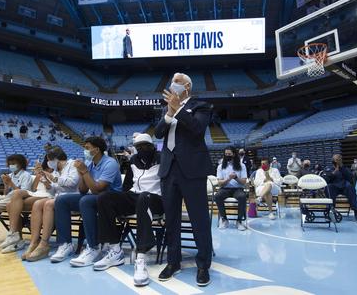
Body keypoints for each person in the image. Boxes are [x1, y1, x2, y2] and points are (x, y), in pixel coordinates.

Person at [154, 72, 214, 287]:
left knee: (199, 220)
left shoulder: (201, 106)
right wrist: (169, 113)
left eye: (178, 82)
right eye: (172, 82)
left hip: (193, 170)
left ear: (187, 86)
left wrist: (178, 108)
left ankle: (203, 264)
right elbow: (158, 133)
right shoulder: (168, 108)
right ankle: (173, 261)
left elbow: (197, 131)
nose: (173, 85)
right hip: (169, 170)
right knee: (171, 219)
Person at [94, 133, 163, 286]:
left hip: (156, 198)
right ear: (136, 149)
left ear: (152, 146)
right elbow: (126, 187)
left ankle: (141, 256)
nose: (143, 149)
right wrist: (121, 204)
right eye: (139, 147)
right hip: (136, 195)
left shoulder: (161, 158)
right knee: (104, 198)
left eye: (146, 146)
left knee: (144, 197)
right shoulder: (133, 160)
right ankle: (115, 249)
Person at [52, 136, 122, 266]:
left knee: (86, 201)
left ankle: (93, 247)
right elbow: (83, 190)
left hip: (112, 199)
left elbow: (97, 190)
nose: (85, 150)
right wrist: (82, 173)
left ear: (97, 149)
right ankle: (66, 244)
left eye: (87, 148)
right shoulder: (90, 164)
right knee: (61, 200)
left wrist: (84, 172)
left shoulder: (110, 163)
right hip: (95, 197)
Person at [3, 146, 79, 257]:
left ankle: (44, 243)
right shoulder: (58, 171)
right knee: (37, 204)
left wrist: (50, 176)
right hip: (58, 197)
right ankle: (34, 242)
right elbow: (53, 189)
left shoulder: (73, 164)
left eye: (49, 160)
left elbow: (71, 182)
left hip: (72, 197)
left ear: (56, 159)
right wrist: (45, 180)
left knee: (46, 204)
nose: (48, 163)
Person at [323, 154, 357, 223]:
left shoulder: (345, 168)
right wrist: (334, 172)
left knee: (351, 188)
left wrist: (341, 167)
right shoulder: (328, 169)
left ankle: (356, 213)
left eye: (338, 159)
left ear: (341, 160)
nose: (337, 161)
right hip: (334, 186)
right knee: (328, 188)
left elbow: (350, 178)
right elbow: (325, 180)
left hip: (344, 186)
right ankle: (330, 212)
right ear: (332, 160)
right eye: (335, 159)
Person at [215, 147, 248, 231]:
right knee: (217, 196)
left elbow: (244, 182)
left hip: (238, 189)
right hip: (225, 189)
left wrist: (236, 177)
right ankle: (224, 219)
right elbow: (219, 183)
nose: (227, 156)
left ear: (234, 154)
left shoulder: (242, 165)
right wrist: (228, 179)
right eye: (226, 154)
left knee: (242, 197)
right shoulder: (220, 166)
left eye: (229, 154)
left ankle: (239, 221)